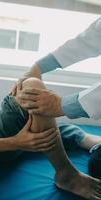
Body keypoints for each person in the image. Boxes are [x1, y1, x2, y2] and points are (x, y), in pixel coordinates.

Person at [0, 77, 99, 200]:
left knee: (38, 116)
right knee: (31, 86)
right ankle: (66, 174)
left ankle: (89, 140)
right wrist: (15, 142)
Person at [12, 17, 101, 179]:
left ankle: (86, 145)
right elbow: (89, 40)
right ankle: (67, 172)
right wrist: (38, 67)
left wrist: (62, 105)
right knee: (33, 85)